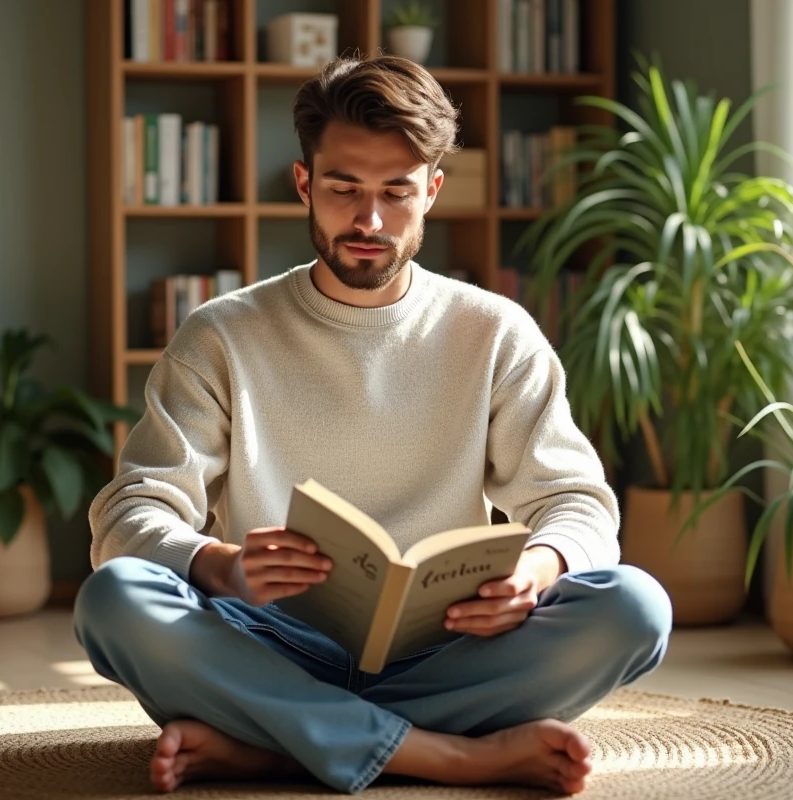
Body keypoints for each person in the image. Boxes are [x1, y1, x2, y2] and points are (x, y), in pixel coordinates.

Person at [73, 54, 672, 796]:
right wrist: (221, 567)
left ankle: (273, 744)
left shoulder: (495, 333)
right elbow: (132, 512)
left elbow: (577, 504)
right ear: (304, 184)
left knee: (635, 607)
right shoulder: (220, 335)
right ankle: (447, 753)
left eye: (396, 192)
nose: (369, 220)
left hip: (448, 644)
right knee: (115, 599)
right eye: (343, 189)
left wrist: (535, 571)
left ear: (433, 191)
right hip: (268, 640)